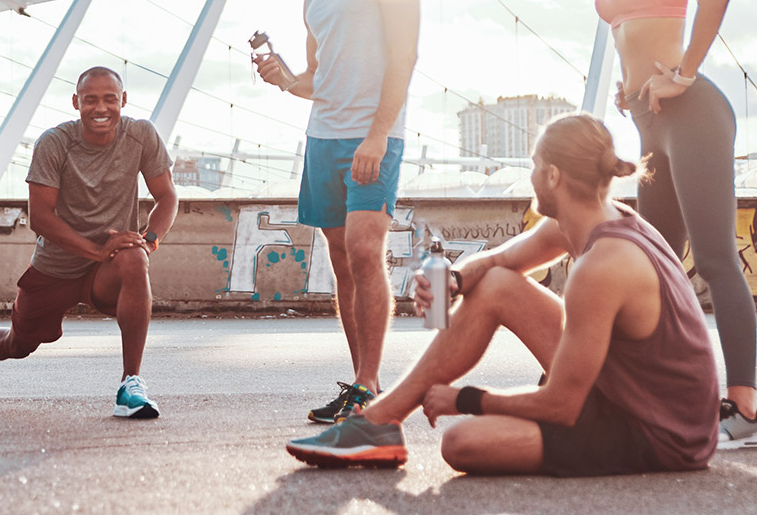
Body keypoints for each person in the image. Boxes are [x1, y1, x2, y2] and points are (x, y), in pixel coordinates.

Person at [286, 114, 720, 475]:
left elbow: (563, 404)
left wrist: (464, 399)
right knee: (496, 285)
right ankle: (379, 422)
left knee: (462, 443)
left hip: (659, 431)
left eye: (534, 166)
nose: (529, 177)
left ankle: (377, 422)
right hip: (632, 391)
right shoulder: (600, 218)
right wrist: (453, 281)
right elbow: (501, 262)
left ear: (553, 175)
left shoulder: (603, 266)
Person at [563, 0, 757, 449]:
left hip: (691, 114)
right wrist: (628, 83)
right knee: (658, 262)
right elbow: (630, 27)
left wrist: (685, 73)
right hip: (648, 121)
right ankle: (661, 394)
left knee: (716, 257)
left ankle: (748, 406)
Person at [253, 0, 420, 423]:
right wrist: (283, 77)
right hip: (322, 138)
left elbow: (404, 57)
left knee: (368, 252)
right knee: (343, 264)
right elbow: (314, 81)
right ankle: (358, 385)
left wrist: (377, 133)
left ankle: (371, 384)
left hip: (374, 138)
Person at [0, 67, 178, 418]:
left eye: (110, 99)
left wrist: (149, 241)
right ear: (76, 102)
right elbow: (41, 218)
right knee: (20, 343)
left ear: (123, 100)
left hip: (107, 267)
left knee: (135, 257)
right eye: (90, 99)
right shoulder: (55, 142)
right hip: (56, 267)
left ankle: (130, 383)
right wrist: (95, 249)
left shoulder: (141, 135)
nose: (100, 108)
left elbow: (167, 196)